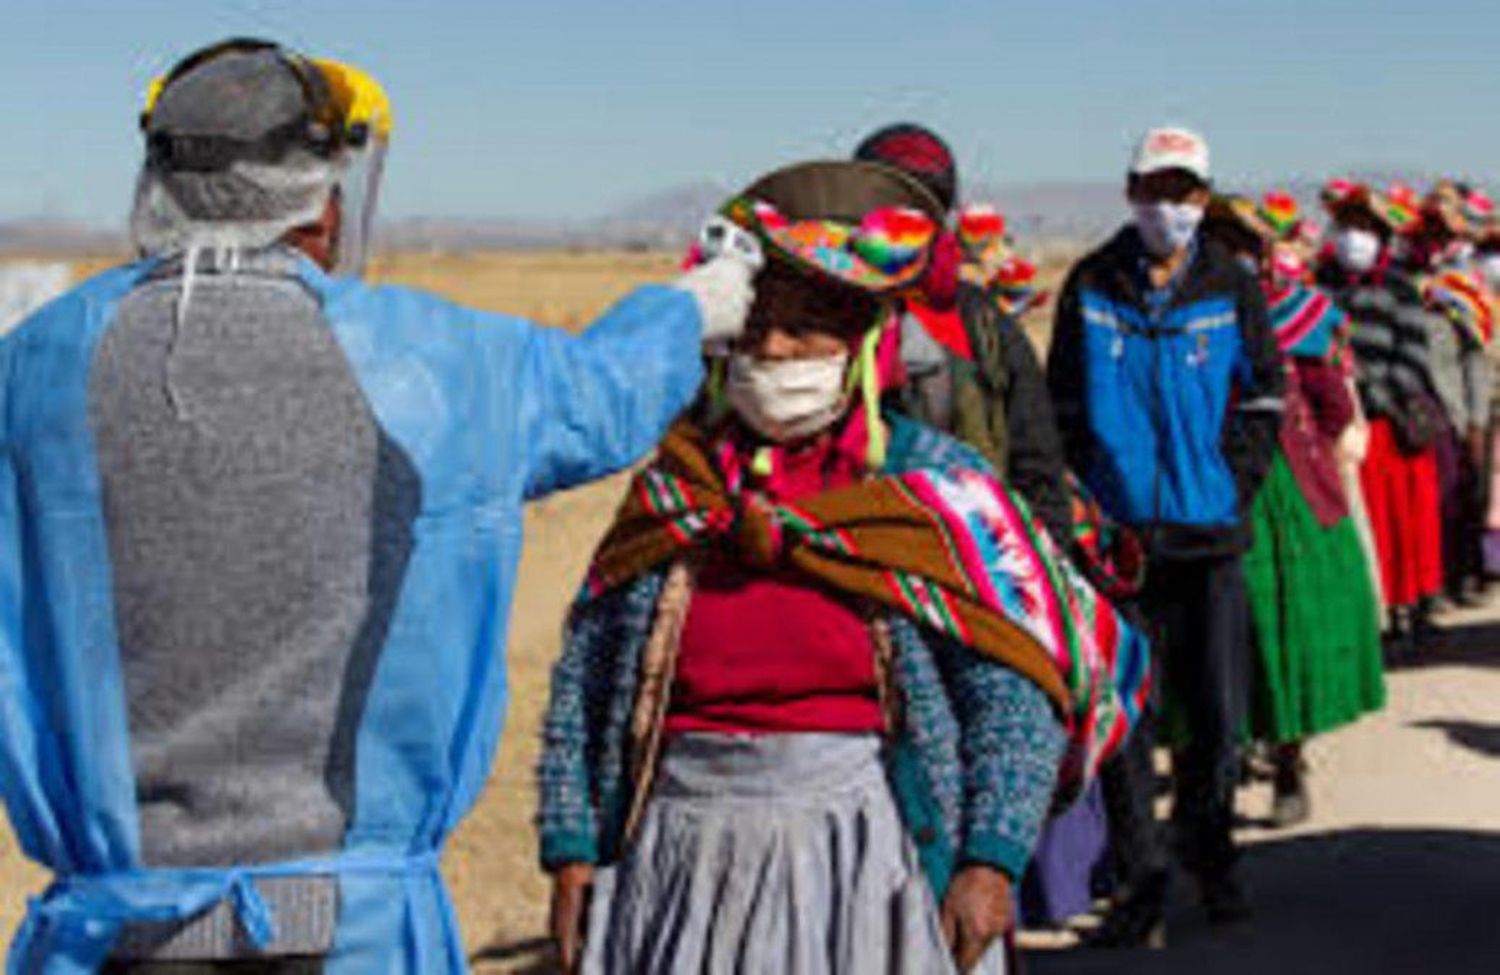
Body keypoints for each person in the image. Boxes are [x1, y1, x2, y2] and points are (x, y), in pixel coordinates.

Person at [0, 39, 756, 973]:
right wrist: (693, 307)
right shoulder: (434, 363)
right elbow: (601, 391)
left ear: (157, 187)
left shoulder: (36, 366)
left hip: (112, 929)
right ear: (321, 202)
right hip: (353, 932)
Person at [537, 160, 1147, 975]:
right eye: (756, 327)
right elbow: (587, 670)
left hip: (868, 856)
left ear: (867, 346)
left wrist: (990, 860)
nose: (774, 350)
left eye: (805, 330)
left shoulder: (934, 494)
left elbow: (1012, 689)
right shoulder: (679, 486)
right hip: (675, 857)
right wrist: (572, 846)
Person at [1047, 127, 1284, 943]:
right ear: (1129, 191)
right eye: (1156, 190)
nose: (1169, 208)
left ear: (1204, 200)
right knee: (1125, 724)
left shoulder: (1232, 284)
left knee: (1216, 718)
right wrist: (1086, 507)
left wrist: (1232, 480)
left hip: (1210, 541)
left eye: (1185, 193)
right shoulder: (1089, 283)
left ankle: (1212, 861)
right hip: (1120, 550)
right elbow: (1063, 411)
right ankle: (1140, 882)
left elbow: (1264, 397)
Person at [1201, 193, 1385, 828]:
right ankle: (1226, 763)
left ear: (1259, 253)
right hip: (1212, 488)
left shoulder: (1303, 317)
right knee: (1229, 632)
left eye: (1237, 245)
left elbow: (1335, 407)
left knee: (1283, 626)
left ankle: (1287, 761)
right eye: (1215, 243)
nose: (1226, 257)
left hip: (1288, 489)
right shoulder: (1191, 319)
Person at [853, 124, 1072, 546]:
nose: (903, 218)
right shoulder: (823, 313)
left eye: (922, 202)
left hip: (976, 558)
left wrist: (1045, 559)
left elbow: (1036, 459)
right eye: (887, 200)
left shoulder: (981, 322)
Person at [1316, 179, 1445, 658]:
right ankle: (1370, 609)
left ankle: (1406, 608)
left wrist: (1375, 395)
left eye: (1363, 227)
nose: (1354, 236)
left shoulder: (1398, 287)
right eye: (1347, 226)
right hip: (1342, 423)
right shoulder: (1322, 284)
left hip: (1388, 423)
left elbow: (1412, 356)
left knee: (1397, 521)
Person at [1414, 182, 1495, 605]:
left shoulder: (1463, 285)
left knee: (1463, 495)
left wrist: (1476, 420)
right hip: (1416, 404)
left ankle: (1463, 573)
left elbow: (1474, 358)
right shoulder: (1408, 277)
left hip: (1458, 410)